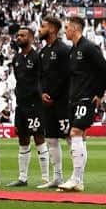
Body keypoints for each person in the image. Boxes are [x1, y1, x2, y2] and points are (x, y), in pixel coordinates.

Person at [58, 16, 106, 192]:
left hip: (86, 98)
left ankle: (76, 178)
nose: (64, 31)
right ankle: (78, 180)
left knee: (75, 133)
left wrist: (99, 93)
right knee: (77, 137)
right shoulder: (73, 50)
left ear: (75, 28)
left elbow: (105, 68)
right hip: (73, 98)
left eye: (67, 27)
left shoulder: (88, 47)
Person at [8, 27, 50, 187]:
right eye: (18, 35)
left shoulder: (37, 57)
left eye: (22, 35)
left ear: (31, 38)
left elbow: (41, 79)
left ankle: (45, 178)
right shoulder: (16, 58)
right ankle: (22, 178)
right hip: (21, 104)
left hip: (35, 105)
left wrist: (40, 95)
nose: (19, 38)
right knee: (22, 139)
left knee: (39, 137)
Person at [37, 15, 71, 189]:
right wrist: (42, 93)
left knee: (70, 138)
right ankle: (57, 177)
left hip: (63, 102)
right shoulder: (43, 52)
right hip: (47, 103)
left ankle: (76, 177)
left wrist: (53, 95)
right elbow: (40, 77)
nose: (39, 30)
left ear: (51, 29)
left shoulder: (64, 50)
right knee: (50, 139)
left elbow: (66, 77)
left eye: (42, 26)